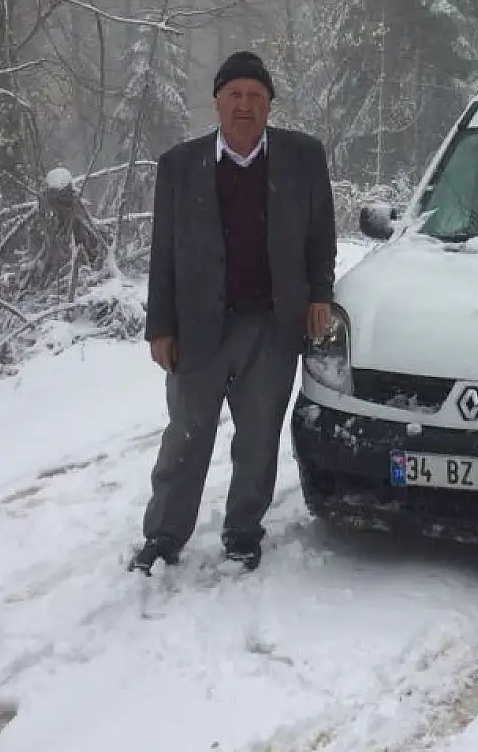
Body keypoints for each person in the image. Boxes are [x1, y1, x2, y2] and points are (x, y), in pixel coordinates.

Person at [130, 50, 337, 574]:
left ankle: (243, 530)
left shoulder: (303, 157)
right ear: (218, 101)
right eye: (235, 95)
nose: (245, 106)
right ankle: (164, 535)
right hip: (200, 328)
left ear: (269, 105)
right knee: (185, 436)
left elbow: (320, 237)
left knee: (259, 436)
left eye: (256, 97)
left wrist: (319, 294)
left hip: (271, 326)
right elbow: (164, 253)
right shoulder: (180, 165)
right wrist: (161, 326)